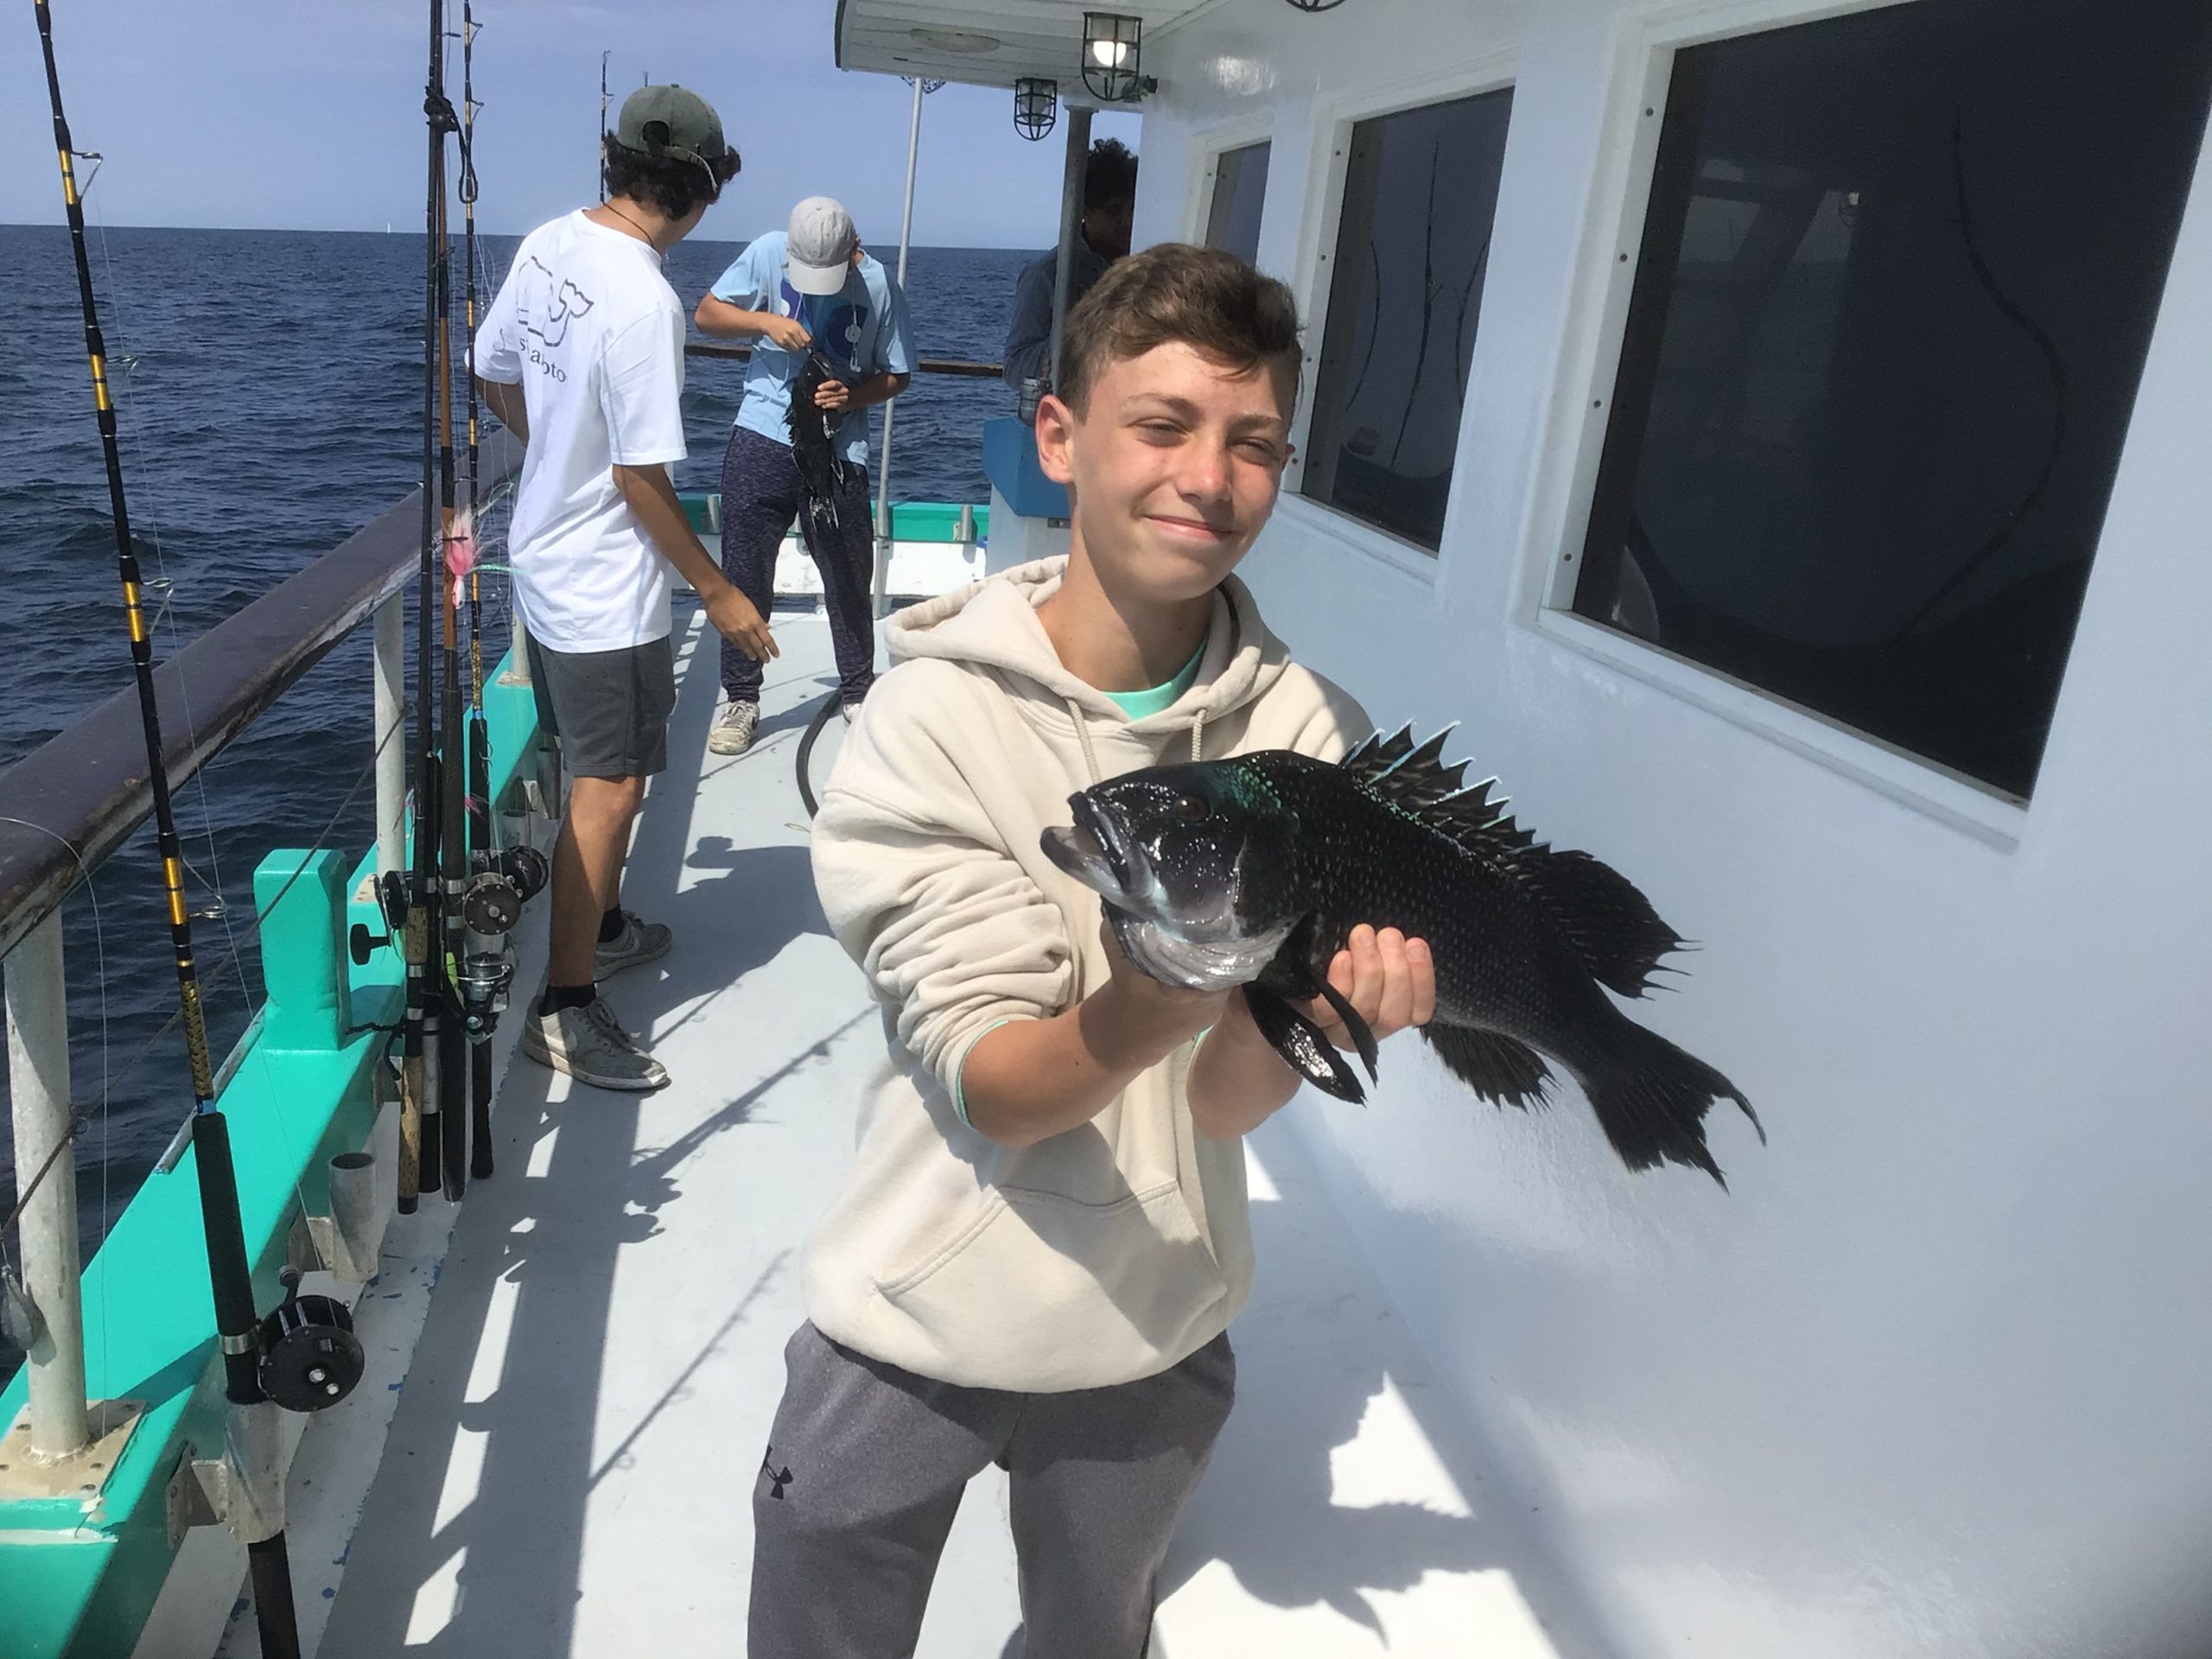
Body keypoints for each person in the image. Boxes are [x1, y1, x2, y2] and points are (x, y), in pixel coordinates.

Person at [750, 245, 1436, 1658]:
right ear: (1059, 437)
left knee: (1097, 1629)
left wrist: (1337, 1020)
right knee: (822, 1579)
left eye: (1250, 443)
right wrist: (1174, 985)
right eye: (1163, 425)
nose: (1208, 476)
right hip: (920, 1297)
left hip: (1155, 1317)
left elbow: (1224, 1103)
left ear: (1284, 466)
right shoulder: (929, 722)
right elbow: (994, 1086)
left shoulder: (1316, 738)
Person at [471, 85, 776, 1092]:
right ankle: (561, 1007)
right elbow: (642, 477)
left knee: (597, 771)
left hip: (544, 560)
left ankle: (597, 927)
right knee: (610, 788)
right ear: (695, 191)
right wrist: (722, 592)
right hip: (607, 585)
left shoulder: (553, 241)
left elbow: (488, 364)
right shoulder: (646, 301)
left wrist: (547, 447)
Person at [696, 198, 913, 755]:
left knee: (846, 571)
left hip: (840, 449)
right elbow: (708, 315)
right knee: (746, 571)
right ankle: (741, 697)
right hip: (762, 436)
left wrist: (853, 395)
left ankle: (859, 689)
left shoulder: (878, 285)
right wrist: (762, 320)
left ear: (853, 251)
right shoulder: (768, 252)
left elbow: (897, 373)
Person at [1001, 137, 1140, 396]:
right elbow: (1015, 368)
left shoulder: (1146, 268)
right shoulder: (1047, 275)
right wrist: (1079, 333)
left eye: (1132, 209)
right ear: (1085, 211)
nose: (1126, 221)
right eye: (1113, 211)